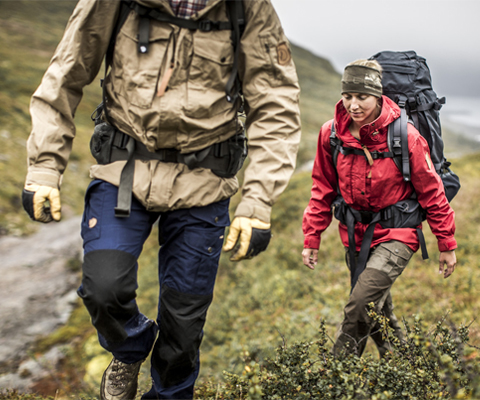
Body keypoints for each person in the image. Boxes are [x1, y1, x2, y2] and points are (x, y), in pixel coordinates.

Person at [21, 0, 301, 398]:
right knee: (104, 287)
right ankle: (130, 348)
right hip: (122, 172)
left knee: (183, 327)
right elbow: (65, 74)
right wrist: (45, 167)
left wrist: (257, 201)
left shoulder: (247, 8)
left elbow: (276, 105)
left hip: (205, 183)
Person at [302, 59, 457, 357]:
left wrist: (446, 243)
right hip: (355, 235)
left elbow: (432, 192)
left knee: (360, 304)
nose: (353, 105)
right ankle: (403, 365)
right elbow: (322, 188)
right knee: (377, 311)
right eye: (347, 96)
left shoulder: (405, 136)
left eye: (362, 97)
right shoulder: (331, 134)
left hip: (398, 233)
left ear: (377, 95)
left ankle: (337, 372)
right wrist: (312, 237)